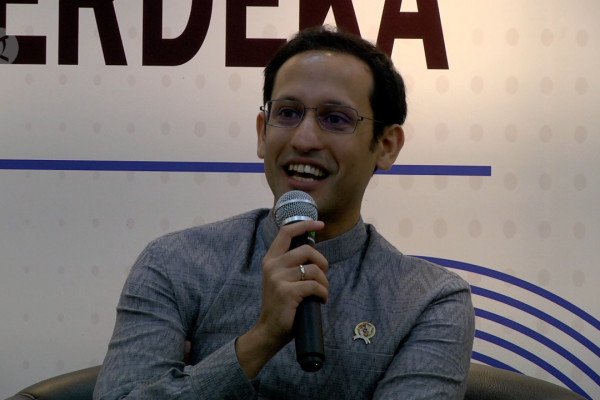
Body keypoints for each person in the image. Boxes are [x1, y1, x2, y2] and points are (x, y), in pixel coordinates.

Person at [94, 26, 474, 399]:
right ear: (262, 132)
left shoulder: (427, 300)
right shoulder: (177, 264)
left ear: (387, 145)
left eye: (335, 118)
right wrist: (260, 339)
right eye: (288, 113)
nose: (304, 139)